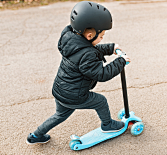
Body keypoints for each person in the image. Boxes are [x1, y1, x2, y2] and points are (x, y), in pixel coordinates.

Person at [26, 1, 130, 144]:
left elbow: (90, 51)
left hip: (60, 90)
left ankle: (36, 135)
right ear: (88, 36)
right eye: (101, 36)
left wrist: (110, 48)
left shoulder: (71, 40)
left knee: (60, 115)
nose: (102, 39)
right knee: (100, 101)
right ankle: (107, 125)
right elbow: (101, 74)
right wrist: (121, 61)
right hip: (75, 95)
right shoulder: (87, 53)